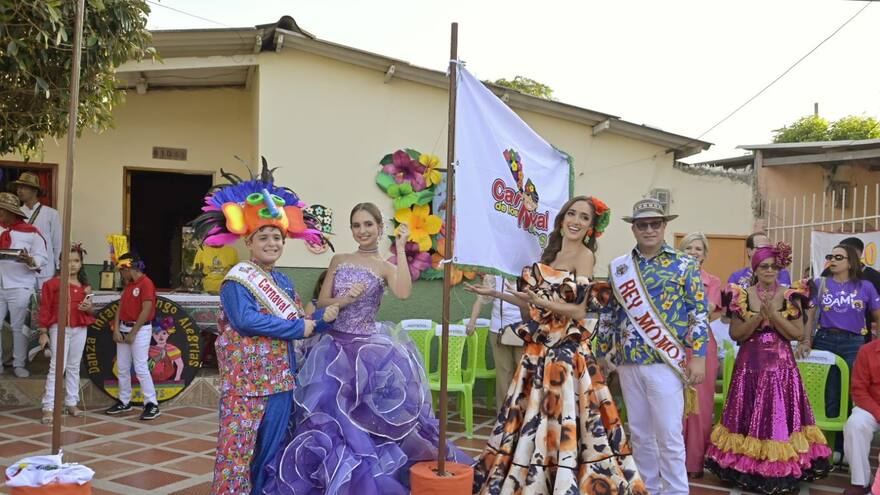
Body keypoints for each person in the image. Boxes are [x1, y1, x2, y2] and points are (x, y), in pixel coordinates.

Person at [263, 203, 470, 494]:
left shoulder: (385, 266)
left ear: (379, 227)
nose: (362, 231)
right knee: (329, 418)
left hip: (367, 351)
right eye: (357, 225)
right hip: (332, 348)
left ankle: (370, 476)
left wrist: (400, 247)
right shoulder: (339, 259)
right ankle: (333, 477)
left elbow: (403, 292)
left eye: (368, 225)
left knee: (369, 419)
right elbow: (322, 301)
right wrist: (344, 300)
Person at [468, 196, 646, 495]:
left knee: (563, 423)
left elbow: (579, 310)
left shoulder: (585, 256)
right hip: (537, 353)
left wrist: (543, 302)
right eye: (572, 214)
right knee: (534, 419)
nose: (576, 221)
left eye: (584, 218)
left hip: (565, 354)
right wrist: (495, 294)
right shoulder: (548, 256)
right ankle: (534, 481)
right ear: (562, 219)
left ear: (591, 227)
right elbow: (532, 302)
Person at [190, 158, 337, 494]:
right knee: (236, 457)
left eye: (277, 237)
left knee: (270, 456)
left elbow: (300, 322)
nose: (272, 243)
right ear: (249, 243)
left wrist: (327, 320)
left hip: (281, 383)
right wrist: (300, 328)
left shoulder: (284, 282)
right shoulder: (236, 281)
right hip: (246, 386)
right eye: (264, 237)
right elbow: (245, 321)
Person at [596, 198, 708, 495]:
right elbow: (610, 313)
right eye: (642, 224)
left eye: (654, 224)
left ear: (664, 226)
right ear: (633, 228)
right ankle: (649, 489)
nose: (649, 229)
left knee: (669, 435)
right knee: (642, 434)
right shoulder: (620, 267)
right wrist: (602, 352)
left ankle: (675, 491)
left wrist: (698, 356)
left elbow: (698, 311)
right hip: (628, 361)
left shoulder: (685, 264)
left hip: (664, 361)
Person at [705, 242, 831, 493]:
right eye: (764, 266)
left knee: (779, 420)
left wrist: (773, 316)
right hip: (749, 367)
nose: (770, 270)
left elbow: (796, 332)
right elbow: (737, 334)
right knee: (747, 417)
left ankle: (779, 467)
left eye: (775, 266)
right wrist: (756, 318)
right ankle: (747, 466)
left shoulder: (790, 295)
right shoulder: (742, 294)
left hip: (781, 369)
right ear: (755, 268)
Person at [799, 244, 880, 458]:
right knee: (829, 392)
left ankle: (846, 446)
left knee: (853, 394)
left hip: (854, 343)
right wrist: (806, 340)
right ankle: (827, 446)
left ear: (850, 262)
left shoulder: (866, 287)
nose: (832, 260)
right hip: (825, 339)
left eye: (838, 256)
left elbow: (878, 317)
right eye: (830, 256)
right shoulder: (820, 283)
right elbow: (809, 316)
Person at [678, 232, 722, 479]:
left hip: (701, 345)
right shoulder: (670, 277)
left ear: (704, 255)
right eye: (688, 248)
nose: (694, 252)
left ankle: (694, 462)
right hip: (672, 342)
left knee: (700, 405)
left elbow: (708, 308)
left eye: (698, 249)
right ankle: (670, 461)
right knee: (672, 403)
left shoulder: (712, 281)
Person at [37, 243, 95, 424]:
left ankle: (71, 402)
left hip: (80, 328)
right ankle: (48, 406)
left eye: (76, 261)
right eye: (68, 261)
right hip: (59, 329)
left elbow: (89, 311)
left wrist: (88, 307)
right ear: (60, 262)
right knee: (57, 367)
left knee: (73, 366)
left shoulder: (85, 287)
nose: (72, 265)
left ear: (81, 263)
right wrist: (43, 331)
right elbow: (45, 308)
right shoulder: (52, 284)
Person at [103, 252, 162, 420]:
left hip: (140, 329)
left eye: (122, 271)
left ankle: (152, 403)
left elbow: (146, 310)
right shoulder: (129, 286)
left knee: (141, 367)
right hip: (123, 328)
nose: (121, 274)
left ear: (129, 268)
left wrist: (133, 332)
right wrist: (116, 329)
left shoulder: (146, 283)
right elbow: (119, 308)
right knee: (122, 367)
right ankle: (124, 400)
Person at [0, 192, 47, 378]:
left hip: (20, 285)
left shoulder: (32, 232)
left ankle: (19, 363)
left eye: (2, 212)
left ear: (11, 212)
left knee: (19, 326)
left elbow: (42, 258)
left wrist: (29, 259)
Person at [465, 272, 525, 411]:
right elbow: (480, 300)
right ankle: (503, 414)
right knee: (504, 373)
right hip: (499, 331)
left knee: (524, 373)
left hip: (524, 331)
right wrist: (472, 321)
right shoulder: (494, 278)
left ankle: (523, 414)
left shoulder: (530, 278)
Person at [820, 236, 880, 342]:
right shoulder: (828, 273)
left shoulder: (873, 277)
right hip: (826, 337)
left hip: (859, 337)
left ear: (857, 254)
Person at [843, 338, 880, 495]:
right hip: (872, 407)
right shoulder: (867, 350)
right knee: (855, 424)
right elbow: (858, 390)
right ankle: (861, 482)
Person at [12, 171, 61, 288]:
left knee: (44, 304)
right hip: (21, 269)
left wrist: (59, 268)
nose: (19, 190)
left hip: (45, 270)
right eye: (18, 187)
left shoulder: (51, 214)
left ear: (34, 191)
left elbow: (57, 242)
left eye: (23, 187)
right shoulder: (15, 213)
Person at [728, 232, 792, 288]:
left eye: (769, 247)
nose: (766, 251)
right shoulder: (736, 276)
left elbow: (784, 297)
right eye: (762, 247)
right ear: (749, 251)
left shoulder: (781, 273)